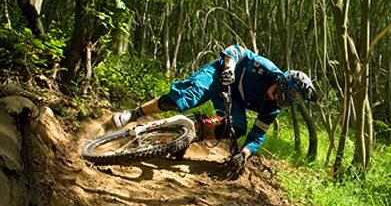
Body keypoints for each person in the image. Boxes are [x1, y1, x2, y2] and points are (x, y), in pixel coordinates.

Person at [111, 44, 318, 167]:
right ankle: (134, 113)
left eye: (295, 100)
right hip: (218, 77)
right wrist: (229, 68)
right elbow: (236, 51)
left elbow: (258, 135)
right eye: (292, 93)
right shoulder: (265, 69)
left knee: (236, 129)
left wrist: (244, 154)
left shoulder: (273, 108)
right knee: (178, 101)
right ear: (285, 81)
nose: (289, 100)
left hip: (232, 99)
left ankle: (187, 137)